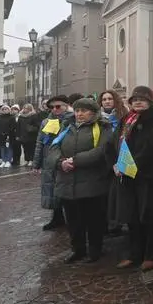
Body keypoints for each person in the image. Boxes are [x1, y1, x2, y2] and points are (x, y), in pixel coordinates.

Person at [110, 87, 153, 270]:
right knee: (132, 217)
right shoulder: (127, 119)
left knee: (149, 217)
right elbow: (114, 142)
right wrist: (115, 163)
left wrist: (131, 165)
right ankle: (134, 254)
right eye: (135, 99)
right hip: (127, 176)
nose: (138, 102)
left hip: (148, 176)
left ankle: (150, 254)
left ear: (149, 101)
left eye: (142, 99)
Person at [47, 97, 112, 264]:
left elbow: (101, 151)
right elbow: (53, 147)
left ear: (93, 112)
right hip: (67, 182)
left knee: (93, 219)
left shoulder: (102, 127)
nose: (80, 114)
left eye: (84, 111)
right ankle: (78, 249)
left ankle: (95, 249)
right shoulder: (66, 127)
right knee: (73, 221)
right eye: (77, 110)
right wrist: (61, 162)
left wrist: (75, 161)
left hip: (92, 182)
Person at [34, 95, 73, 231]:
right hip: (48, 160)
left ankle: (71, 219)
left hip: (65, 159)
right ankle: (57, 218)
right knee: (51, 190)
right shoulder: (46, 122)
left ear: (66, 106)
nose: (55, 109)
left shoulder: (72, 120)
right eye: (52, 107)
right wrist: (36, 163)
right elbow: (40, 142)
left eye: (58, 106)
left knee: (66, 190)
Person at [98, 90, 129, 235]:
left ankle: (116, 223)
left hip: (118, 157)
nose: (107, 101)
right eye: (104, 99)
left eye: (110, 98)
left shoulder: (123, 116)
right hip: (102, 159)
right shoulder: (98, 118)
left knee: (117, 194)